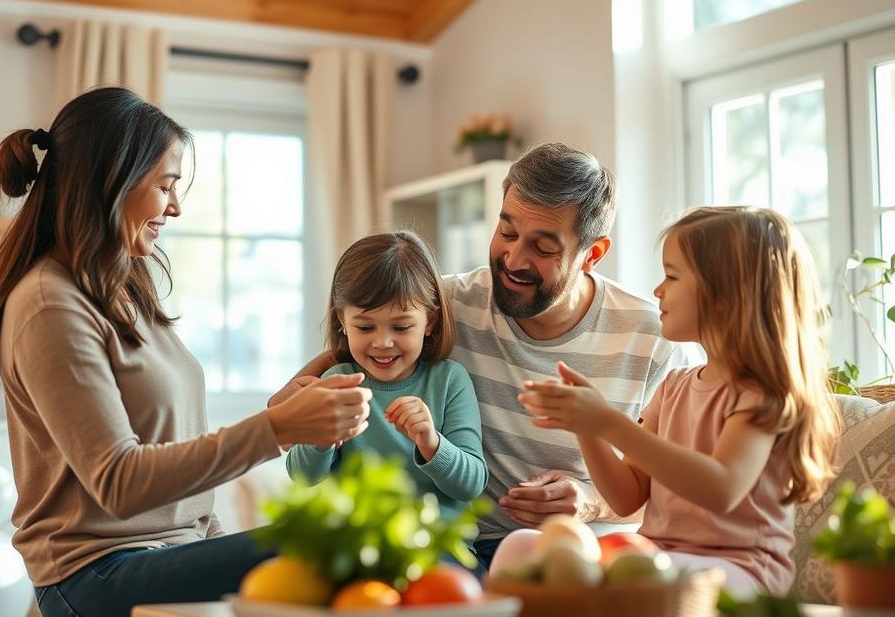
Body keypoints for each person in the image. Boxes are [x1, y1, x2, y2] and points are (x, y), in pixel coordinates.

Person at [0, 87, 372, 617]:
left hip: (168, 556)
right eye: (166, 186)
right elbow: (117, 482)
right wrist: (278, 428)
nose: (177, 207)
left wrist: (222, 541)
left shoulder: (124, 288)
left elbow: (178, 481)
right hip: (95, 574)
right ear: (111, 180)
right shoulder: (51, 304)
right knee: (331, 541)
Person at [273, 143, 693, 570]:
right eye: (507, 232)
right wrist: (297, 391)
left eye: (543, 247)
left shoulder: (652, 339)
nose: (513, 259)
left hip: (584, 552)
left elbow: (670, 494)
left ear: (593, 254)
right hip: (474, 546)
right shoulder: (451, 301)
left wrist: (590, 502)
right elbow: (373, 332)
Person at [517, 206, 840, 595]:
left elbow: (720, 488)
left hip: (741, 570)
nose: (657, 290)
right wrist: (588, 429)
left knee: (636, 584)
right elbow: (625, 497)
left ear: (725, 295)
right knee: (521, 551)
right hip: (659, 558)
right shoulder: (673, 387)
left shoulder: (762, 395)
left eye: (671, 276)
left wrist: (608, 423)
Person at [286, 231, 488, 523]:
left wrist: (431, 442)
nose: (382, 342)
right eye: (365, 328)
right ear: (343, 322)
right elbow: (302, 477)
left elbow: (471, 484)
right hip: (355, 543)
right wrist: (322, 436)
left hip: (434, 545)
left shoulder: (449, 381)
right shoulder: (334, 384)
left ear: (429, 323)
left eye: (402, 327)